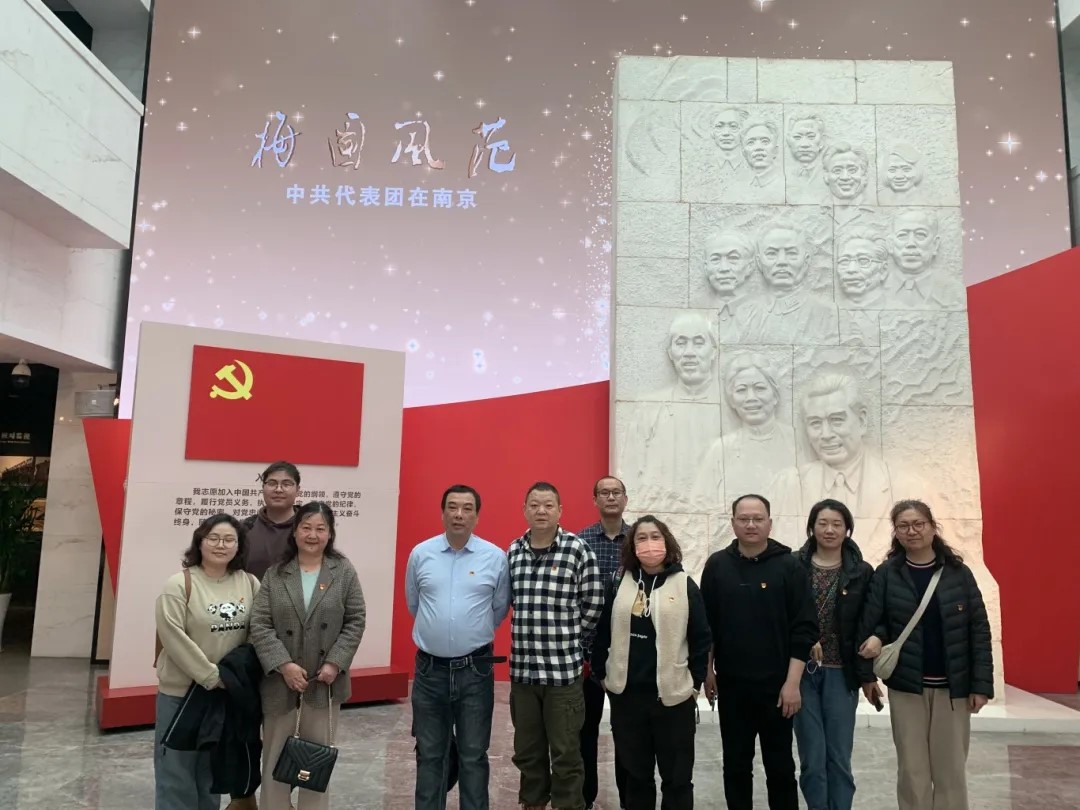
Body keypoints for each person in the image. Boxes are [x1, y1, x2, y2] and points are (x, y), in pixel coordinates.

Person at [857, 500, 993, 810]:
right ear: (896, 532)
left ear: (933, 527)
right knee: (912, 769)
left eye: (919, 523)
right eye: (903, 526)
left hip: (953, 690)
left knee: (951, 770)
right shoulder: (887, 574)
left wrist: (981, 685)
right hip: (907, 688)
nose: (912, 531)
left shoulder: (959, 573)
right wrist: (869, 663)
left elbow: (978, 630)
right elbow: (872, 622)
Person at [700, 494, 817, 810]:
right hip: (732, 686)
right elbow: (707, 625)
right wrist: (708, 671)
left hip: (778, 688)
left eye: (757, 518)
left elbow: (804, 629)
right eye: (743, 519)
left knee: (780, 767)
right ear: (733, 523)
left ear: (769, 523)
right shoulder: (717, 565)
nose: (750, 524)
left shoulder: (790, 566)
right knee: (736, 765)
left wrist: (792, 684)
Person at [249, 501, 366, 810]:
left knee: (316, 764)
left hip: (323, 684)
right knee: (274, 762)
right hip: (280, 683)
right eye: (306, 527)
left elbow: (356, 620)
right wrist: (283, 665)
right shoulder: (276, 574)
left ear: (330, 534)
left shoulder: (343, 572)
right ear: (295, 531)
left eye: (320, 529)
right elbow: (259, 623)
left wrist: (335, 662)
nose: (312, 535)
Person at [591, 516, 711, 810]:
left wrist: (694, 685)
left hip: (673, 701)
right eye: (641, 538)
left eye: (655, 537)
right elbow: (602, 632)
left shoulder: (684, 584)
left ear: (666, 542)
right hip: (628, 699)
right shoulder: (619, 582)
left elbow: (701, 638)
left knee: (677, 780)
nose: (649, 544)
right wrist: (602, 673)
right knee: (636, 778)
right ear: (632, 546)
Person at [406, 484, 511, 810]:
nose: (459, 514)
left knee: (473, 755)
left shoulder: (495, 557)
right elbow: (414, 603)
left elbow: (499, 608)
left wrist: (468, 631)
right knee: (430, 754)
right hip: (430, 671)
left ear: (477, 516)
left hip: (475, 670)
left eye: (467, 508)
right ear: (442, 513)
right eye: (452, 507)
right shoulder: (421, 554)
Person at [507, 482, 604, 810]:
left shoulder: (577, 549)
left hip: (563, 675)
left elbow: (593, 603)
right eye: (534, 505)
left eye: (548, 505)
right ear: (524, 510)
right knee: (527, 751)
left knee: (566, 753)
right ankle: (532, 803)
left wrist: (572, 639)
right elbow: (511, 601)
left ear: (560, 510)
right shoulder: (514, 551)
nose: (541, 511)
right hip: (523, 675)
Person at [154, 513, 259, 810]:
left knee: (210, 770)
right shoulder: (179, 584)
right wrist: (211, 676)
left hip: (223, 694)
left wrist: (230, 677)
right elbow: (173, 637)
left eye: (229, 540)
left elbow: (258, 632)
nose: (220, 545)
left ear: (239, 546)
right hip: (182, 694)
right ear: (200, 542)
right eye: (213, 538)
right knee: (176, 771)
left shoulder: (249, 583)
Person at [793, 500, 874, 810]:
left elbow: (870, 621)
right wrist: (804, 641)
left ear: (847, 529)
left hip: (842, 673)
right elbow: (782, 615)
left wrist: (867, 674)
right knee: (812, 756)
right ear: (811, 527)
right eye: (823, 523)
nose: (829, 529)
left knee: (839, 756)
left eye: (837, 524)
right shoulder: (793, 566)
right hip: (802, 673)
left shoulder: (861, 572)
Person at [577, 477, 632, 810]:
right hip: (587, 654)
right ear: (595, 499)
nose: (610, 497)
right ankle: (585, 798)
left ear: (625, 499)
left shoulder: (639, 540)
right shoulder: (579, 541)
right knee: (585, 731)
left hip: (629, 653)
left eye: (616, 492)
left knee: (627, 731)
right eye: (604, 493)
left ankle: (629, 799)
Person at [243, 461, 302, 580]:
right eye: (272, 483)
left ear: (297, 490)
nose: (278, 489)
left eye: (286, 484)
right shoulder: (245, 528)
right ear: (263, 488)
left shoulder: (308, 529)